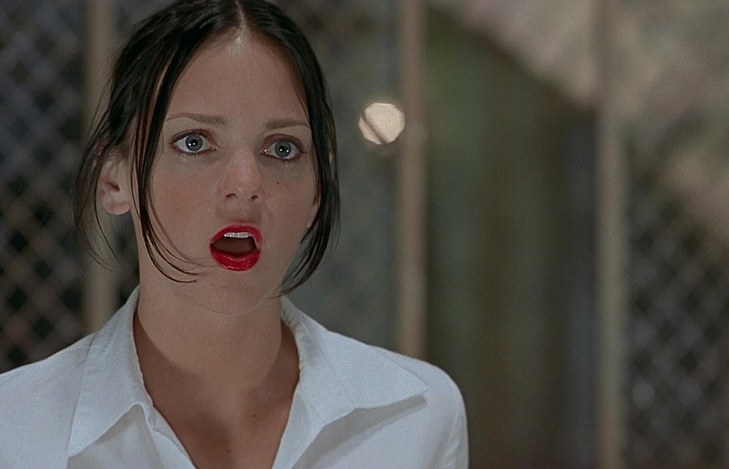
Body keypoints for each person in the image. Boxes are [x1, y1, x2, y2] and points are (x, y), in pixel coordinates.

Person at [0, 1, 468, 467]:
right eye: (194, 143)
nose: (245, 186)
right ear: (115, 178)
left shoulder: (413, 418)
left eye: (282, 149)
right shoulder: (18, 431)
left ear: (317, 192)